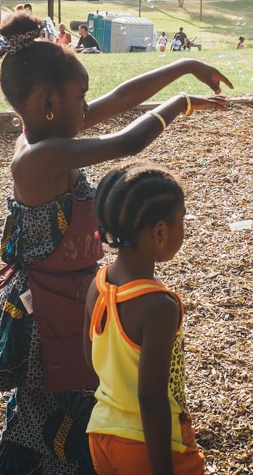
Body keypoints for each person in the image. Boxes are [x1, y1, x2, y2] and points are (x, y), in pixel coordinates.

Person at [0, 11, 230, 475]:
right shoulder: (39, 158)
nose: (89, 106)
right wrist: (180, 103)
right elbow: (129, 141)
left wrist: (185, 65)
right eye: (82, 97)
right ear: (49, 101)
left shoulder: (53, 128)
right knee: (46, 413)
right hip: (44, 313)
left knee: (69, 408)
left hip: (70, 297)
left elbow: (121, 98)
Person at [86, 163, 207, 475]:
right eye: (181, 220)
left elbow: (91, 363)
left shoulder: (99, 284)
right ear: (160, 231)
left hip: (101, 433)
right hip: (147, 447)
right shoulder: (159, 306)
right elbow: (151, 399)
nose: (184, 229)